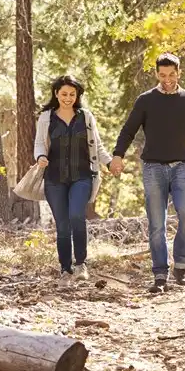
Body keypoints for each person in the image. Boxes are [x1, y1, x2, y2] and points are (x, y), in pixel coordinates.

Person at [109, 53, 185, 292]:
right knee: (157, 224)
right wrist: (117, 154)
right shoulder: (145, 100)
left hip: (181, 166)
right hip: (153, 168)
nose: (167, 79)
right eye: (162, 75)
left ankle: (181, 267)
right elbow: (128, 130)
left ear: (178, 72)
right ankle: (160, 275)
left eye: (171, 74)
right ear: (156, 74)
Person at [33, 75, 115, 285]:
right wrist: (41, 157)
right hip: (54, 179)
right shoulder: (46, 117)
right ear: (56, 94)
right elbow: (39, 144)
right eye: (64, 94)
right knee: (62, 225)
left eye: (72, 94)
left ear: (77, 95)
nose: (68, 98)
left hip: (82, 177)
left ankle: (81, 264)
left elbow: (97, 146)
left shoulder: (85, 117)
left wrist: (109, 163)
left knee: (77, 216)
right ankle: (65, 268)